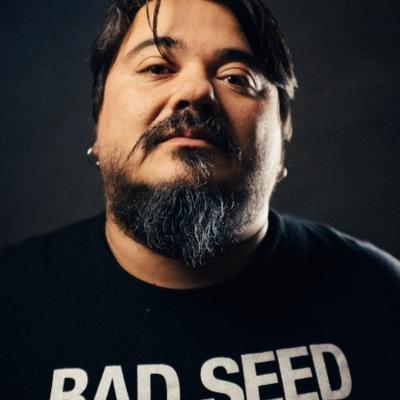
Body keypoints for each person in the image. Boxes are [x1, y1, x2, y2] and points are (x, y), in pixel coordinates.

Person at [1, 0, 399, 398]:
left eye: (236, 78)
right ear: (98, 125)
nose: (196, 90)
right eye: (157, 67)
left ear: (282, 144)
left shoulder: (381, 297)